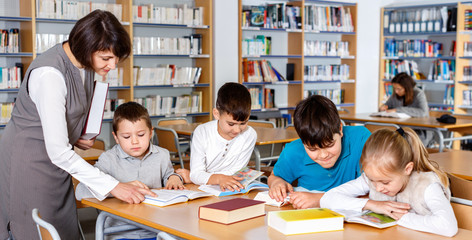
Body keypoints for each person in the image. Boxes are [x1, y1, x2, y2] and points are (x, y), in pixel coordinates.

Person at [0, 10, 155, 240]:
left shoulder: (83, 64)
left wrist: (75, 135)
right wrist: (114, 186)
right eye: (106, 58)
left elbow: (63, 119)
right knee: (34, 228)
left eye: (115, 58)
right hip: (29, 162)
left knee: (62, 226)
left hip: (59, 162)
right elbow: (58, 151)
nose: (112, 66)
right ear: (85, 48)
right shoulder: (49, 76)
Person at [320, 127, 457, 237]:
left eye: (385, 183)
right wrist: (370, 204)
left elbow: (448, 227)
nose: (378, 188)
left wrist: (402, 217)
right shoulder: (373, 177)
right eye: (373, 181)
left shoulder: (426, 185)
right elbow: (327, 199)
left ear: (407, 169)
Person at [76, 102, 184, 240]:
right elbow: (80, 191)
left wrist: (175, 177)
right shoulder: (108, 159)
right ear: (116, 137)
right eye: (126, 137)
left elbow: (169, 177)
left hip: (158, 230)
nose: (134, 142)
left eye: (140, 134)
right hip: (121, 232)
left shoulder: (162, 155)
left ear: (151, 133)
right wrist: (117, 188)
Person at [268, 95, 371, 209]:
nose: (323, 155)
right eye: (312, 149)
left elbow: (375, 188)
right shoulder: (293, 151)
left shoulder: (361, 139)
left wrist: (321, 200)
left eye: (330, 145)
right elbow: (274, 177)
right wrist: (276, 183)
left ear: (340, 129)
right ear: (302, 142)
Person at [177, 82, 257, 191]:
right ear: (216, 114)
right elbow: (196, 173)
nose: (237, 130)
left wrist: (201, 177)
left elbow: (236, 173)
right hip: (202, 190)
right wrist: (217, 179)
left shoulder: (249, 135)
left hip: (230, 189)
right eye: (231, 124)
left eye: (243, 123)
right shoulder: (202, 132)